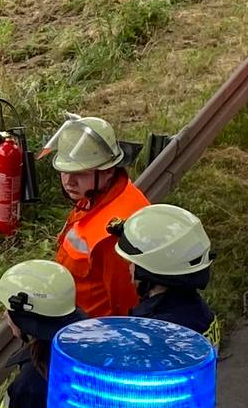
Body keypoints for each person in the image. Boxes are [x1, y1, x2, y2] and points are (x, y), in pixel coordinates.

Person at [42, 115, 151, 319]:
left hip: (90, 335)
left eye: (80, 173)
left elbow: (125, 307)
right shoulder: (96, 193)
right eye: (64, 171)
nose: (69, 181)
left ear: (108, 171)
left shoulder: (114, 234)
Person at [0, 259, 83, 408]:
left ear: (25, 318)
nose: (4, 315)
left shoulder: (30, 386)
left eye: (8, 310)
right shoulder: (86, 350)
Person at [118, 205, 216, 335]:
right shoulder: (196, 310)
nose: (129, 267)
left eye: (133, 263)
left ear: (149, 272)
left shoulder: (152, 329)